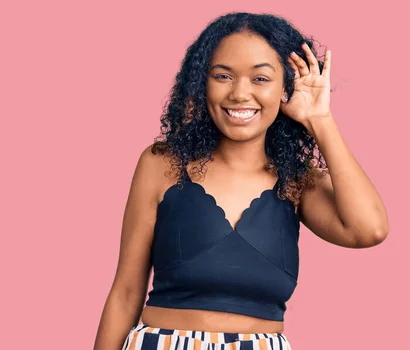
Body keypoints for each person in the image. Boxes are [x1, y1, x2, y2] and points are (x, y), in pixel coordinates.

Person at [94, 11, 389, 350]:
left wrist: (319, 119)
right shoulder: (162, 164)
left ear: (285, 88)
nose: (239, 94)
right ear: (201, 82)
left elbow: (369, 229)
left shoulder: (297, 181)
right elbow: (126, 292)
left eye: (260, 79)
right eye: (223, 76)